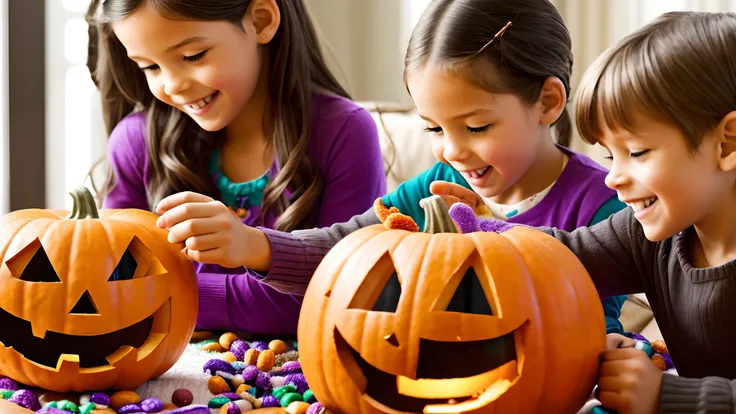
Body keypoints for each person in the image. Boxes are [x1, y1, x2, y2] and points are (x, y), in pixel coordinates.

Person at [157, 0, 628, 335]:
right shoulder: (435, 188)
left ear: (547, 102)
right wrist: (252, 246)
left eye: (477, 126)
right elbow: (348, 248)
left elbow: (590, 328)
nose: (451, 152)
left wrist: (483, 243)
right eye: (434, 130)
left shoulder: (603, 205)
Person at [447, 11, 736, 414]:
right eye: (608, 155)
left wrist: (667, 396)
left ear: (727, 143)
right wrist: (474, 237)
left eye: (636, 152)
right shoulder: (649, 238)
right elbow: (555, 257)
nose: (613, 178)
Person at [86, 0, 386, 335]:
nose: (172, 86)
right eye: (150, 67)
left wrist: (164, 298)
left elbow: (343, 290)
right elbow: (112, 284)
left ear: (260, 21)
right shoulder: (136, 143)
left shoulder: (344, 132)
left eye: (192, 56)